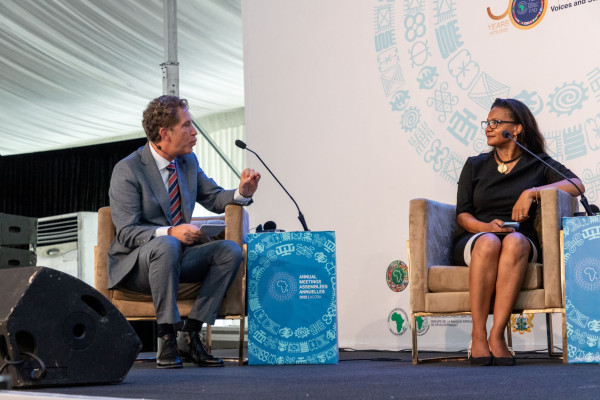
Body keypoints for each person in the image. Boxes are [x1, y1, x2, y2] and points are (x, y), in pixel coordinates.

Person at [107, 95, 261, 369]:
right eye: (187, 125)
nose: (194, 132)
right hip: (137, 266)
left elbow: (214, 197)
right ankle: (166, 336)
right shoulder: (128, 169)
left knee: (230, 250)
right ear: (165, 133)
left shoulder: (187, 162)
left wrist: (242, 193)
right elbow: (127, 232)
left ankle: (189, 334)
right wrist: (170, 232)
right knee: (166, 244)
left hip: (178, 257)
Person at [453, 98, 585, 366]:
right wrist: (485, 228)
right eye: (487, 123)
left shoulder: (537, 163)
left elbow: (576, 184)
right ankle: (477, 334)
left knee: (513, 242)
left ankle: (497, 335)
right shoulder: (475, 165)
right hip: (478, 236)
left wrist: (532, 192)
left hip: (521, 240)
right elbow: (463, 215)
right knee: (489, 242)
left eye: (495, 122)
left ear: (516, 129)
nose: (488, 128)